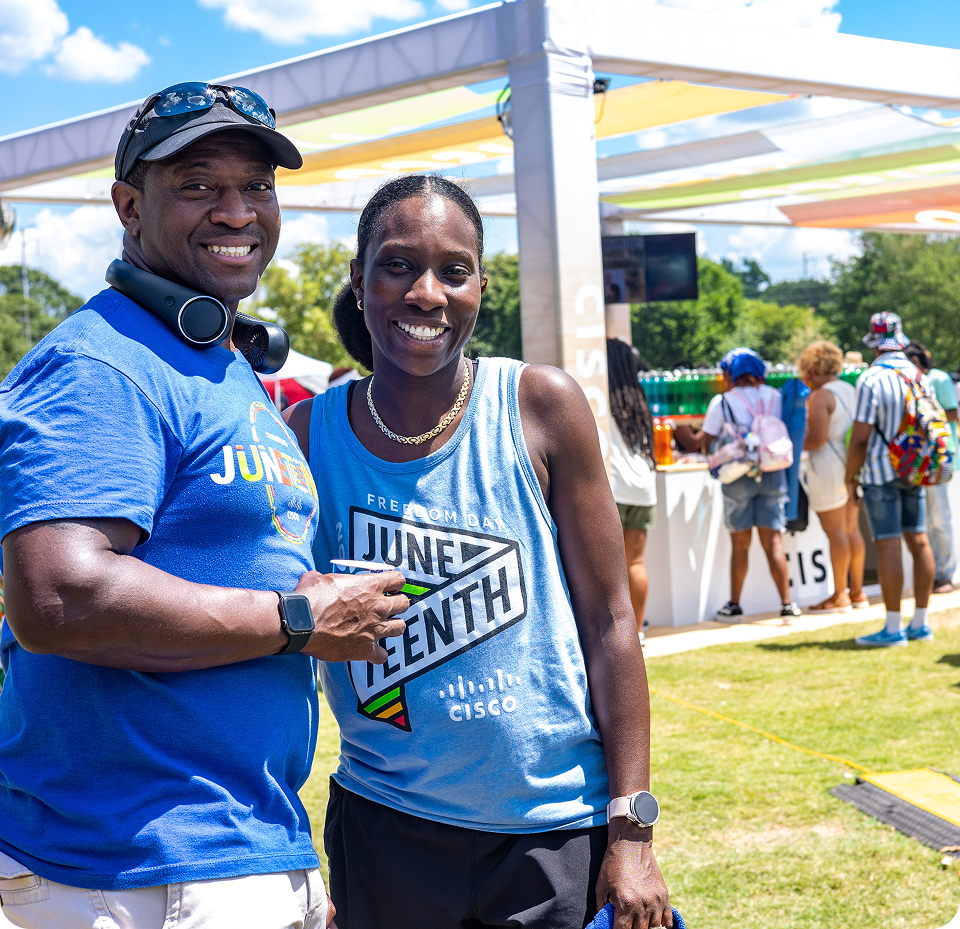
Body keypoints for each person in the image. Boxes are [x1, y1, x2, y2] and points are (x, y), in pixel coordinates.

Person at [0, 83, 412, 929]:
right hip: (132, 869)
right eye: (197, 185)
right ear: (128, 205)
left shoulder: (225, 367)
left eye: (257, 186)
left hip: (236, 851)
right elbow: (58, 597)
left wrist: (285, 862)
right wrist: (299, 617)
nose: (236, 211)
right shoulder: (102, 364)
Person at [284, 175, 671, 929]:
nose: (426, 293)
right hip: (385, 830)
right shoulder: (305, 438)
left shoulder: (541, 406)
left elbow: (611, 624)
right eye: (397, 266)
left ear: (480, 289)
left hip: (553, 834)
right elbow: (281, 641)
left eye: (453, 271)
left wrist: (633, 831)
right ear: (359, 283)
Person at [676, 348, 799, 620]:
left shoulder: (723, 402)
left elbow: (704, 443)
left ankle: (734, 605)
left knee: (740, 544)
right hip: (773, 472)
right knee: (773, 543)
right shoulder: (776, 396)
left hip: (738, 475)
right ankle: (788, 605)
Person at [846, 312, 935, 647]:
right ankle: (921, 623)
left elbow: (859, 438)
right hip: (916, 469)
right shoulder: (918, 375)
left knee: (888, 544)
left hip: (881, 473)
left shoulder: (871, 379)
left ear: (874, 343)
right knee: (919, 540)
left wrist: (849, 477)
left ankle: (893, 628)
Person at [797, 341, 867, 612]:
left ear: (813, 369)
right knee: (852, 529)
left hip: (827, 468)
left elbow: (815, 439)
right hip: (851, 465)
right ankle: (857, 591)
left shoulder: (821, 396)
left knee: (835, 532)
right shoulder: (850, 389)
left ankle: (839, 595)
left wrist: (788, 442)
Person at [606, 337, 658, 643]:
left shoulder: (597, 397)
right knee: (635, 564)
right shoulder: (638, 400)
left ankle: (617, 637)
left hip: (612, 491)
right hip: (642, 490)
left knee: (608, 573)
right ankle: (637, 633)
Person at [904, 341, 958, 594]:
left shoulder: (937, 378)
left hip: (938, 460)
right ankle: (932, 573)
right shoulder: (908, 383)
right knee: (923, 520)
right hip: (916, 462)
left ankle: (945, 573)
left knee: (940, 517)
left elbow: (953, 413)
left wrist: (926, 416)